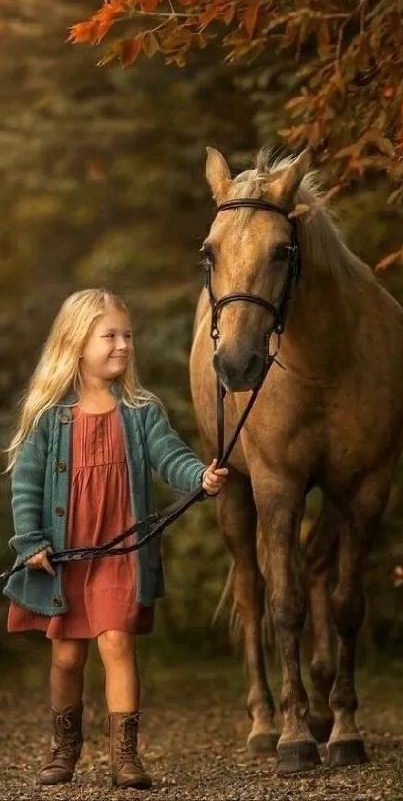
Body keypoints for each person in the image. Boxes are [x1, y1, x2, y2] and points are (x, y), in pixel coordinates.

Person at [2, 288, 228, 790]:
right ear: (77, 343)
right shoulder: (49, 416)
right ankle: (65, 748)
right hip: (65, 556)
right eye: (110, 335)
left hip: (120, 554)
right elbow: (26, 485)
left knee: (117, 643)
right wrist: (30, 541)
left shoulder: (140, 410)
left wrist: (200, 478)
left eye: (127, 335)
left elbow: (172, 457)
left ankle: (125, 757)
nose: (123, 345)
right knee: (66, 655)